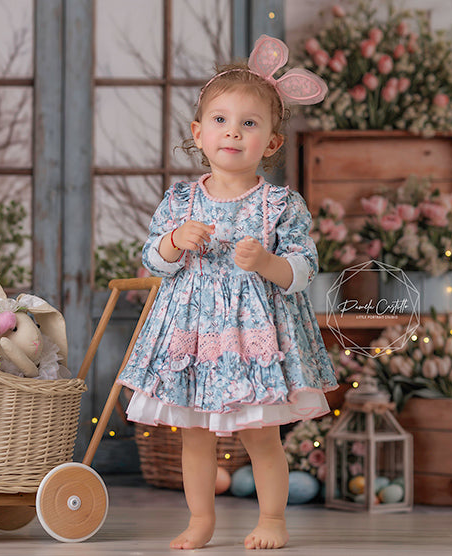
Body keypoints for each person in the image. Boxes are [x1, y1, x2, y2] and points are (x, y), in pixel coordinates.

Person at [117, 35, 338, 550]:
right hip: (192, 335)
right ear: (199, 132)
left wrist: (268, 262)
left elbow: (305, 271)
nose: (232, 133)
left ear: (272, 143)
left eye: (249, 123)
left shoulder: (280, 205)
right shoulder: (180, 199)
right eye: (220, 120)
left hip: (253, 337)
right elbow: (152, 261)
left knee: (260, 435)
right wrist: (173, 242)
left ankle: (273, 520)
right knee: (194, 435)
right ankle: (200, 520)